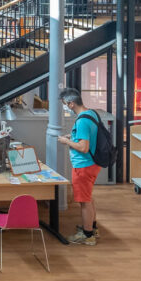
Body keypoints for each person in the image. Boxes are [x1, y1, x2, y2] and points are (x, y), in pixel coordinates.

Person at [57, 88, 100, 246]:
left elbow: (83, 147)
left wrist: (66, 141)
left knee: (84, 202)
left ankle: (87, 235)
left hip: (83, 165)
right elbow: (87, 137)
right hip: (92, 164)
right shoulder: (91, 113)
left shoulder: (81, 121)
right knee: (89, 198)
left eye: (65, 104)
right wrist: (73, 136)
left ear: (71, 103)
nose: (65, 107)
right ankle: (92, 228)